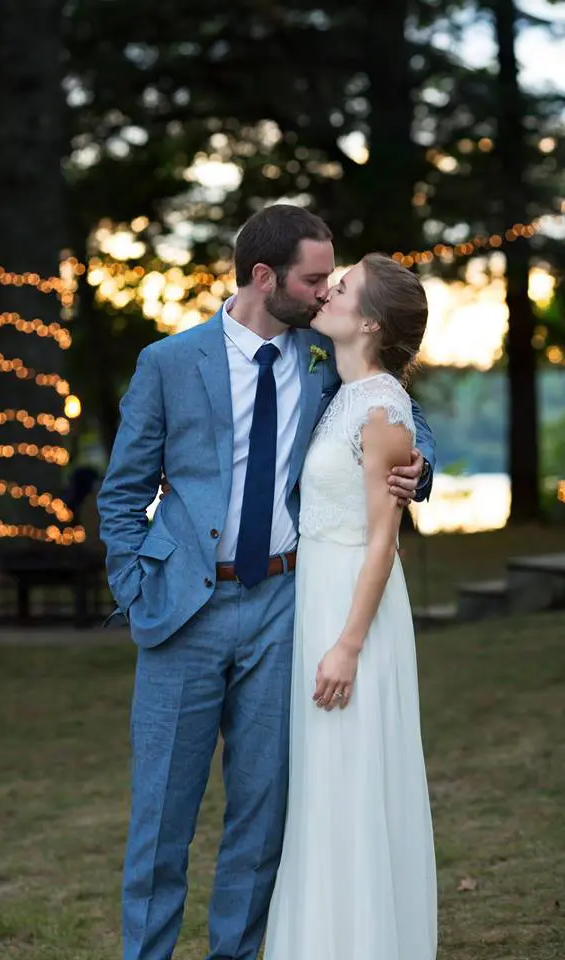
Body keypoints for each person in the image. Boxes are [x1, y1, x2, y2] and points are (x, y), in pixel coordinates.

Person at [97, 205, 436, 960]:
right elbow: (121, 494)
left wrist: (424, 465)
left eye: (331, 283)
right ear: (264, 276)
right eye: (315, 279)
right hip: (184, 611)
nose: (325, 294)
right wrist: (136, 583)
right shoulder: (169, 363)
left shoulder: (323, 358)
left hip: (287, 610)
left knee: (262, 818)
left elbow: (392, 402)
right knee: (161, 822)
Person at [264, 254, 437, 960]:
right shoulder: (343, 388)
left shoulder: (382, 409)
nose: (327, 290)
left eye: (342, 287)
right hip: (320, 600)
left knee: (355, 785)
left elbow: (382, 544)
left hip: (352, 613)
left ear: (369, 320)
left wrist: (348, 644)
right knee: (325, 790)